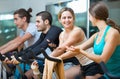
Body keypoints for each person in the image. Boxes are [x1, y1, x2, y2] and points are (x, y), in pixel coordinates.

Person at [62, 1, 120, 79]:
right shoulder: (96, 35)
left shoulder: (112, 33)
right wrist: (58, 58)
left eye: (89, 16)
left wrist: (82, 52)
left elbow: (102, 60)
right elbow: (79, 48)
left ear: (94, 16)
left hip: (115, 75)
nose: (89, 19)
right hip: (106, 74)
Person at [42, 7, 96, 79]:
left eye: (69, 17)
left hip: (92, 62)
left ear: (73, 19)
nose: (67, 20)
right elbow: (60, 50)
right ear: (60, 20)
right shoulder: (62, 34)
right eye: (64, 18)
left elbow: (61, 49)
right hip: (82, 64)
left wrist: (48, 58)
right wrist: (49, 58)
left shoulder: (77, 31)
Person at [10, 11, 62, 79]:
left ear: (46, 22)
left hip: (65, 62)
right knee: (25, 76)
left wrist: (22, 58)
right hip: (53, 61)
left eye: (38, 22)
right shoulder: (43, 34)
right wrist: (17, 55)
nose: (36, 24)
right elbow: (34, 46)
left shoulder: (54, 31)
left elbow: (42, 47)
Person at [0, 8, 41, 79]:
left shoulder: (32, 27)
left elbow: (19, 42)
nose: (14, 22)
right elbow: (13, 41)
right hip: (31, 57)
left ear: (24, 19)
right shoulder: (23, 31)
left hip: (40, 59)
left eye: (16, 19)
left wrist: (0, 53)